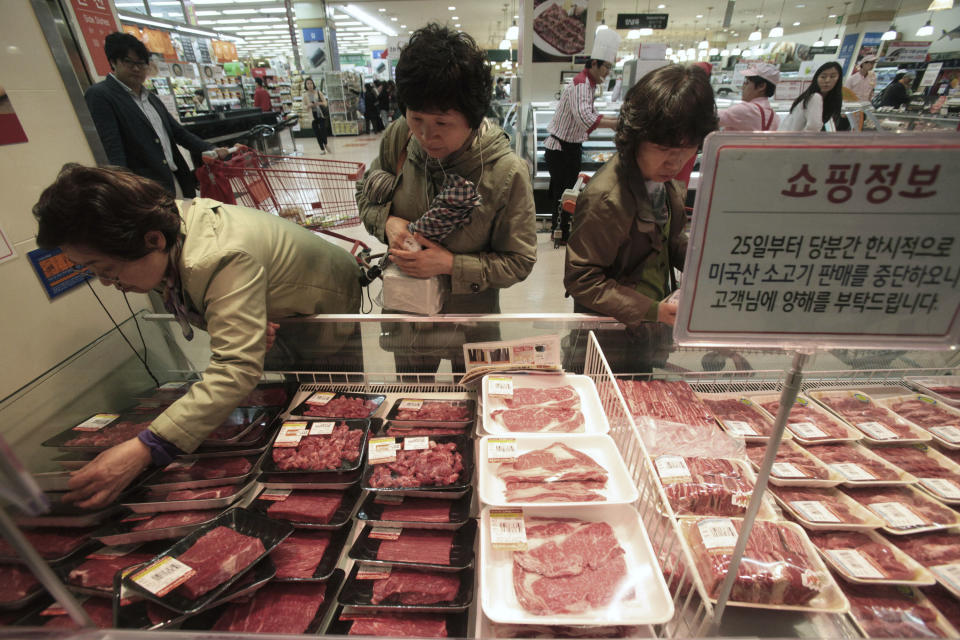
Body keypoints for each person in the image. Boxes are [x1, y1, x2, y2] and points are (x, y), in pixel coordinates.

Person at [33, 164, 363, 508]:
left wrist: (147, 447)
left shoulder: (217, 255)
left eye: (107, 270)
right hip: (277, 311)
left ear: (153, 239)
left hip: (322, 308)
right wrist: (242, 319)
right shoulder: (163, 226)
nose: (106, 282)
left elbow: (236, 369)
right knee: (281, 399)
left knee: (333, 411)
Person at [355, 23, 536, 373]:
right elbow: (368, 196)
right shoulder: (398, 140)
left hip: (468, 325)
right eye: (417, 118)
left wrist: (450, 265)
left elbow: (519, 260)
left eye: (442, 123)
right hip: (407, 318)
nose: (426, 135)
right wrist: (387, 223)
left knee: (471, 411)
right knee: (412, 410)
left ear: (472, 118)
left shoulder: (504, 173)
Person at [564, 64, 718, 372]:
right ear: (635, 138)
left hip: (648, 332)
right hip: (608, 341)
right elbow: (582, 280)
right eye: (662, 148)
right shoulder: (608, 198)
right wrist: (653, 310)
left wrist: (708, 263)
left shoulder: (666, 184)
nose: (674, 160)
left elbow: (668, 242)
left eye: (688, 149)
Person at [84, 32, 227, 198]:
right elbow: (112, 148)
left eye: (142, 63)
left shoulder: (150, 97)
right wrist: (123, 190)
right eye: (129, 62)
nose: (137, 69)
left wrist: (210, 148)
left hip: (174, 179)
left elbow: (178, 133)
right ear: (114, 62)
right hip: (143, 189)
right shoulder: (101, 95)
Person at [544, 29, 621, 244]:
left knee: (566, 190)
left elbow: (587, 116)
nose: (608, 72)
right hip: (561, 149)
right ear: (594, 64)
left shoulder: (588, 85)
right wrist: (616, 124)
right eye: (606, 67)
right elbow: (585, 118)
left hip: (569, 147)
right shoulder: (580, 84)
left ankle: (560, 231)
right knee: (564, 192)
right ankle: (560, 233)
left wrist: (612, 123)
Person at [779, 61, 843, 132]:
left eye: (832, 76)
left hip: (788, 139)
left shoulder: (816, 98)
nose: (827, 80)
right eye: (823, 77)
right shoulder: (815, 97)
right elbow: (813, 128)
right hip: (793, 140)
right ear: (816, 78)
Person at [719, 62, 780, 131]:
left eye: (747, 82)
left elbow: (710, 118)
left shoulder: (744, 110)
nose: (743, 87)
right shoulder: (775, 117)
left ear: (761, 86)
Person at [303, 77, 329, 154]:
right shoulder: (304, 95)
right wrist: (308, 105)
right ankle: (322, 149)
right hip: (312, 115)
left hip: (320, 114)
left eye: (311, 83)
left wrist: (318, 103)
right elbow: (303, 106)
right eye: (308, 83)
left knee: (323, 130)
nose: (310, 85)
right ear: (306, 85)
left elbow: (325, 103)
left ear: (313, 84)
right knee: (317, 133)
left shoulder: (318, 92)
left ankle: (325, 143)